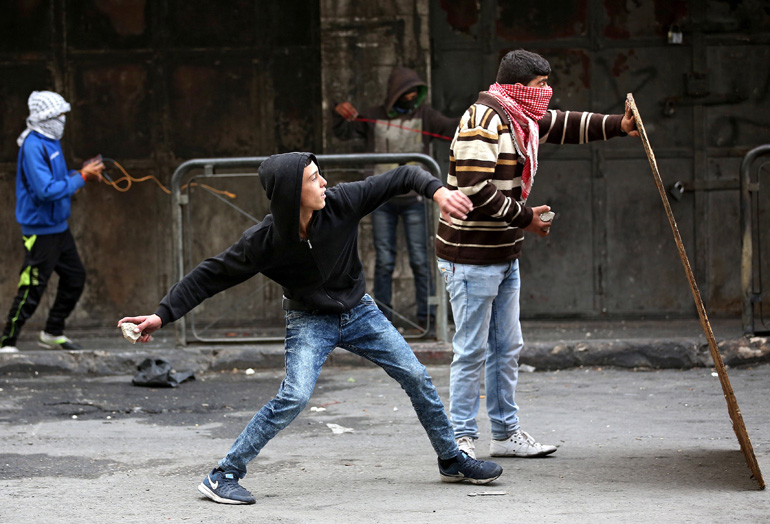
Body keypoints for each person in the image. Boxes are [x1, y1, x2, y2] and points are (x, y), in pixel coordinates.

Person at [118, 152, 503, 505]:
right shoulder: (264, 242)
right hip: (309, 319)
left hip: (360, 312)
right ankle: (224, 474)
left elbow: (403, 175)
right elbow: (209, 275)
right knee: (295, 396)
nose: (324, 183)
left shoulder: (343, 202)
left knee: (417, 376)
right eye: (314, 178)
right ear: (290, 192)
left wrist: (436, 192)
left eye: (321, 175)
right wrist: (161, 315)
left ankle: (451, 458)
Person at [435, 50, 640, 459]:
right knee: (472, 350)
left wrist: (619, 125)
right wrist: (526, 218)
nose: (546, 94)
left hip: (503, 253)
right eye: (539, 86)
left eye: (548, 84)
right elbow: (476, 188)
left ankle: (506, 433)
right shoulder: (484, 120)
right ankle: (460, 438)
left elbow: (563, 124)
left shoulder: (520, 117)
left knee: (506, 348)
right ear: (515, 87)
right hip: (470, 256)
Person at [333, 66, 460, 334]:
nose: (411, 97)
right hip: (380, 200)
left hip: (414, 198)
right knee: (385, 261)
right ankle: (382, 320)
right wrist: (340, 113)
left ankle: (427, 320)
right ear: (394, 94)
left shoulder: (425, 115)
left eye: (415, 93)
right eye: (406, 93)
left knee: (420, 259)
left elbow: (451, 128)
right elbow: (345, 131)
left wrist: (475, 116)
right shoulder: (373, 115)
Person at [0, 91, 104, 354]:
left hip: (59, 227)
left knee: (75, 278)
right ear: (47, 117)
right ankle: (7, 342)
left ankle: (52, 331)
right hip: (40, 231)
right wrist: (81, 177)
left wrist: (79, 174)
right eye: (59, 115)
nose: (63, 120)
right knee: (32, 286)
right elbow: (45, 190)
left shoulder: (51, 141)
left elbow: (58, 181)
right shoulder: (33, 146)